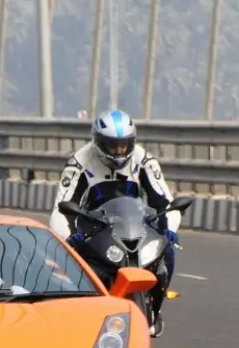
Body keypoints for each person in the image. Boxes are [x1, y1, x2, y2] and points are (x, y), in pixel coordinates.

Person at [48, 108, 180, 285]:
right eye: (112, 145)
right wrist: (68, 236)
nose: (119, 151)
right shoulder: (78, 163)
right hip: (95, 228)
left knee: (167, 249)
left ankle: (157, 301)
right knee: (69, 256)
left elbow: (164, 200)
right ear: (99, 142)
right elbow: (61, 208)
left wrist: (169, 229)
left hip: (135, 224)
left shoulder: (144, 159)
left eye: (124, 145)